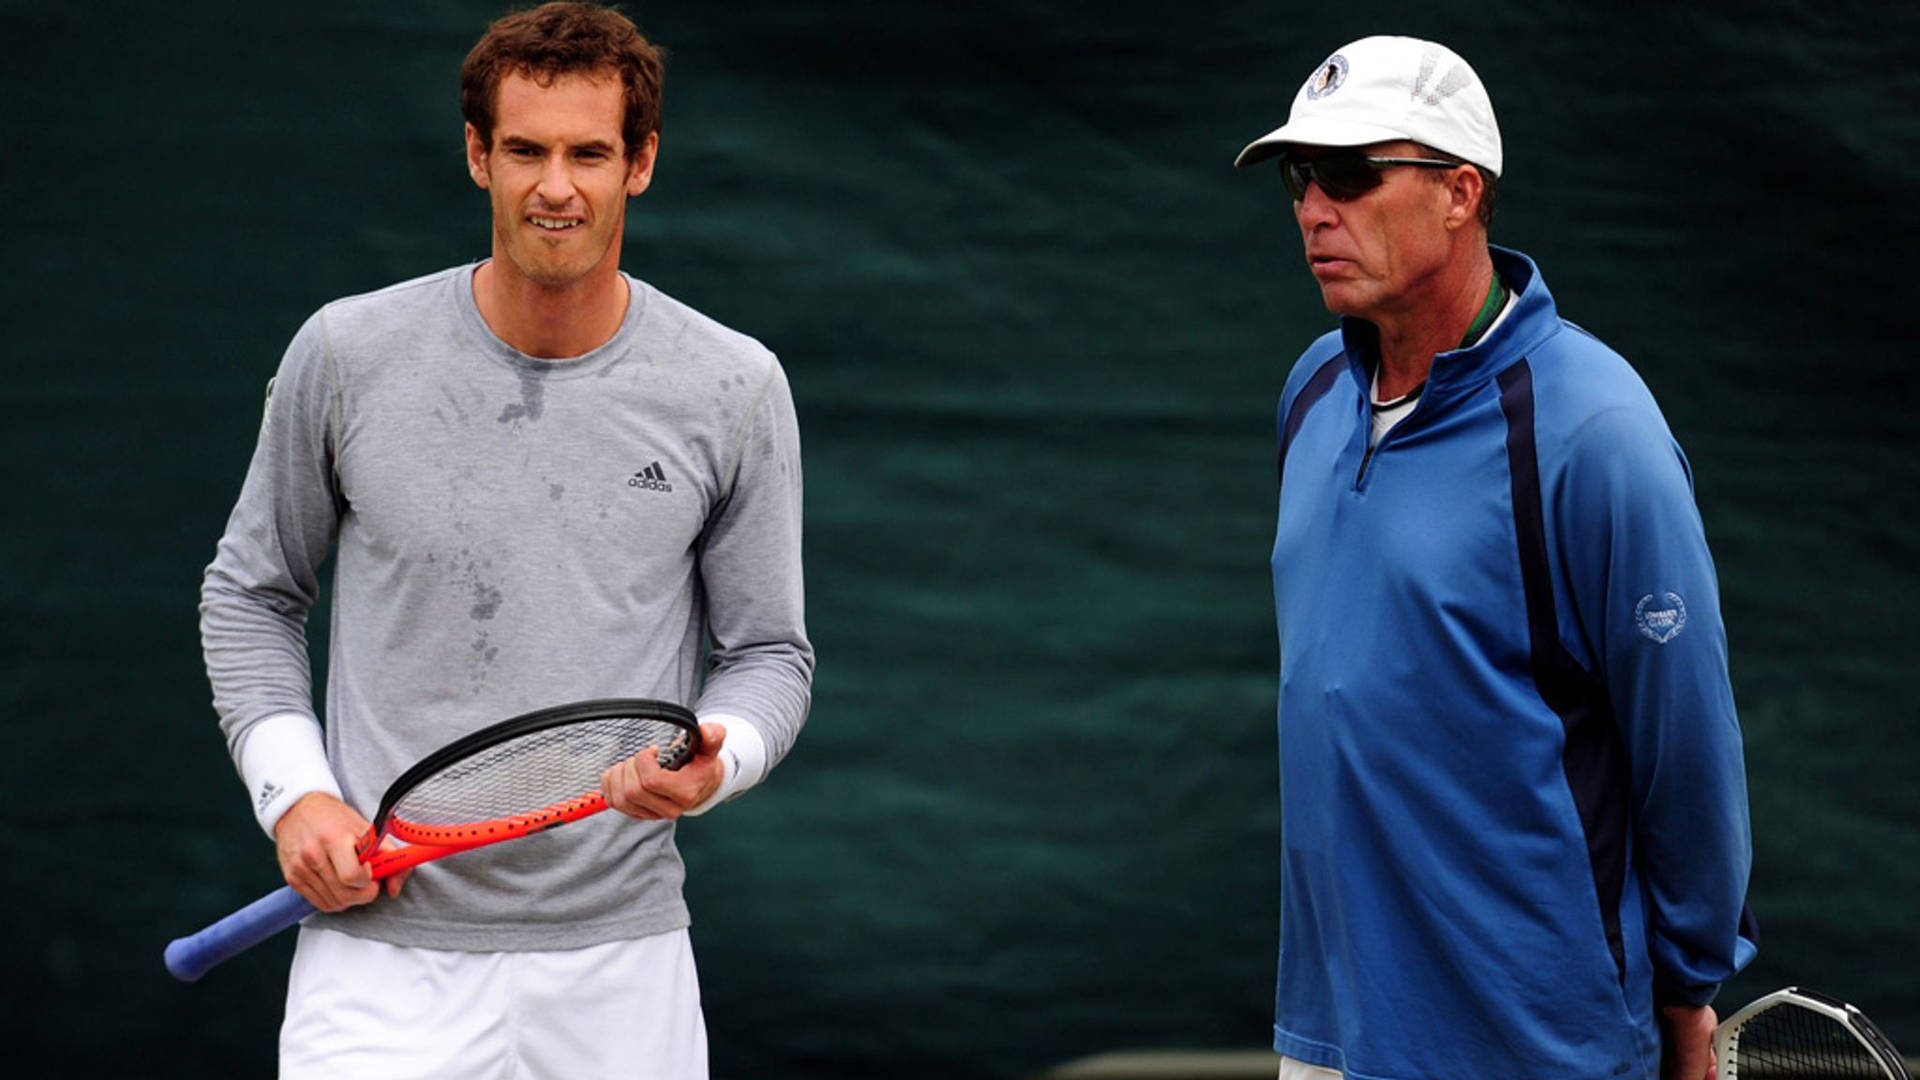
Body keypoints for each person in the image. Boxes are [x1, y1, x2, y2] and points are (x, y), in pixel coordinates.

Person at [199, 3, 811, 1076]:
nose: (557, 186)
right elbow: (251, 595)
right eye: (526, 149)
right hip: (380, 970)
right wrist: (295, 794)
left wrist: (717, 762)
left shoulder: (735, 385)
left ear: (643, 163)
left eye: (590, 152)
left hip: (623, 966)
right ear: (479, 155)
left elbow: (769, 656)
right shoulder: (346, 353)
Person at [1234, 36, 1756, 1080]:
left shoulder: (1597, 432)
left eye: (1350, 175)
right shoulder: (1312, 395)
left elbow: (1685, 742)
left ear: (1460, 193)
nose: (1312, 210)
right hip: (1330, 1035)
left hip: (1533, 1043)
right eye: (1301, 179)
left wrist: (1690, 987)